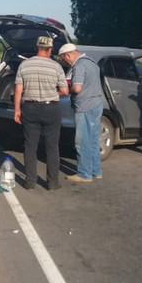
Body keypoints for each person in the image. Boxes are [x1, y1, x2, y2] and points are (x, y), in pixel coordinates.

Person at [13, 36, 69, 190]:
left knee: (30, 145)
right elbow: (65, 90)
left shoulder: (24, 65)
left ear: (37, 47)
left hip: (30, 108)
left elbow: (18, 89)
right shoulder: (56, 67)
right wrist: (53, 93)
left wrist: (17, 109)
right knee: (52, 146)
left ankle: (30, 181)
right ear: (50, 50)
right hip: (51, 108)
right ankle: (52, 183)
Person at [58, 43, 103, 182]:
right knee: (94, 140)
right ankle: (96, 171)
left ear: (68, 55)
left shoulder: (79, 66)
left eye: (64, 59)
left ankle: (84, 174)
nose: (66, 62)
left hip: (85, 106)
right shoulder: (92, 63)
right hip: (97, 104)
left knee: (82, 141)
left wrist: (66, 90)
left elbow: (77, 88)